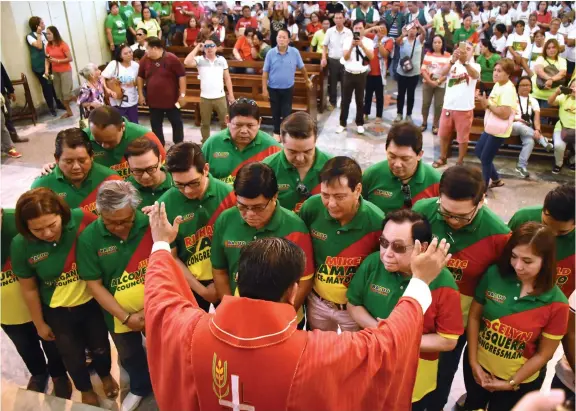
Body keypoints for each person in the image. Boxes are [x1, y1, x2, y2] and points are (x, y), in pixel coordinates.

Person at [145, 197, 452, 411]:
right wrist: (420, 283)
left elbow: (161, 298)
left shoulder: (190, 332)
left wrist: (161, 243)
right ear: (293, 292)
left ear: (239, 276)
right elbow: (387, 344)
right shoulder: (315, 355)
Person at [412, 165, 511, 411]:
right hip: (417, 313)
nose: (454, 221)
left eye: (462, 216)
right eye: (446, 214)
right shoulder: (422, 212)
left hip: (457, 325)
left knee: (442, 377)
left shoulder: (499, 236)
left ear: (481, 202)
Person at [11, 188, 119, 406]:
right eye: (38, 230)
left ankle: (105, 375)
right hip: (58, 311)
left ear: (62, 214)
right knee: (72, 355)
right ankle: (85, 389)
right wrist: (39, 323)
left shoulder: (82, 219)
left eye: (52, 225)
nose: (48, 233)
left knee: (100, 345)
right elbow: (29, 289)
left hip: (92, 303)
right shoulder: (21, 245)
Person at [347, 210, 463, 411]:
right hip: (369, 370)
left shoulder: (443, 283)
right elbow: (353, 304)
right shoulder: (374, 263)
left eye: (398, 247)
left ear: (423, 247)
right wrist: (381, 332)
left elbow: (448, 339)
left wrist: (398, 339)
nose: (387, 253)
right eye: (384, 242)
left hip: (414, 381)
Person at [464, 222, 569, 411]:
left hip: (520, 383)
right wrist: (473, 363)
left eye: (527, 261)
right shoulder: (494, 275)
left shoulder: (558, 304)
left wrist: (512, 382)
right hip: (478, 368)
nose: (518, 266)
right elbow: (473, 318)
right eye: (514, 256)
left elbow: (544, 353)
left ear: (546, 261)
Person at [75, 181, 152, 411]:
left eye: (125, 221)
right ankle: (139, 387)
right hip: (119, 317)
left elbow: (169, 263)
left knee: (165, 349)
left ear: (135, 209)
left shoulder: (150, 223)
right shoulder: (89, 238)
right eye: (110, 222)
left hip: (157, 306)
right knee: (130, 355)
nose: (119, 227)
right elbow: (95, 285)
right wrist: (127, 317)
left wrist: (148, 309)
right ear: (99, 212)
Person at [211, 162, 315, 327]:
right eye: (242, 207)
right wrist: (229, 309)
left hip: (281, 321)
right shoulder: (225, 220)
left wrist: (278, 319)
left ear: (274, 197)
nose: (250, 214)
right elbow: (220, 271)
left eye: (258, 207)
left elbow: (304, 281)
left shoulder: (295, 228)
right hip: (238, 317)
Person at [299, 156, 384, 331]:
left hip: (355, 309)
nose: (331, 204)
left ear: (358, 189)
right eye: (325, 195)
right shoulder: (311, 208)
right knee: (319, 353)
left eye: (339, 196)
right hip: (317, 302)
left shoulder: (377, 221)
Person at [0, 208, 71, 399]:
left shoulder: (20, 223)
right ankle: (39, 373)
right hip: (7, 312)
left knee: (52, 343)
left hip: (41, 302)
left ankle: (59, 374)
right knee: (25, 346)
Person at [159, 142, 235, 311]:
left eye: (193, 183)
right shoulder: (165, 204)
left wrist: (221, 281)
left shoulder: (229, 195)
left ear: (206, 169)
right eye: (179, 185)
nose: (187, 191)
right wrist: (202, 290)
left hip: (228, 278)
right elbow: (172, 256)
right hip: (190, 284)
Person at [31, 128, 122, 214]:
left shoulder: (110, 179)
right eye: (69, 161)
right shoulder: (41, 186)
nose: (76, 167)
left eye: (82, 161)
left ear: (91, 157)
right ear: (57, 159)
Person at [509, 184, 575, 298]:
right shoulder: (523, 218)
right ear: (544, 210)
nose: (551, 235)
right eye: (545, 225)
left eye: (562, 232)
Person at [363, 122, 440, 214]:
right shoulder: (372, 175)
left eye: (405, 158)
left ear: (419, 155)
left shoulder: (436, 181)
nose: (397, 164)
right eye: (392, 156)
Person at [263, 112, 332, 212]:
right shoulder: (267, 168)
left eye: (307, 151)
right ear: (282, 140)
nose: (300, 158)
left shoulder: (332, 165)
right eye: (293, 152)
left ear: (316, 140)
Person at [201, 99, 281, 184]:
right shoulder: (212, 144)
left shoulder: (272, 147)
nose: (244, 131)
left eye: (250, 125)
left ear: (259, 122)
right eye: (238, 125)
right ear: (227, 120)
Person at [433, 41, 481, 168]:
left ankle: (460, 161)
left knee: (462, 138)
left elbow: (475, 75)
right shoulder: (452, 62)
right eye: (463, 48)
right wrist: (451, 61)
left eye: (469, 49)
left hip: (464, 108)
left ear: (473, 52)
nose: (465, 51)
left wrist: (465, 62)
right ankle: (442, 157)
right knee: (443, 134)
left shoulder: (475, 65)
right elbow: (441, 73)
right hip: (448, 106)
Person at [262, 29, 312, 141]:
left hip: (288, 88)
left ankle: (284, 132)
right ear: (276, 39)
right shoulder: (270, 53)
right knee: (275, 111)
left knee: (286, 112)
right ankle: (276, 131)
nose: (281, 39)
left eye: (284, 37)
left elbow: (302, 67)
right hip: (273, 88)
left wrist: (307, 80)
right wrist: (264, 89)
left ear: (289, 40)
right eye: (279, 37)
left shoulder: (294, 52)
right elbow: (265, 73)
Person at [475, 58, 517, 189]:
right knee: (479, 151)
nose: (495, 73)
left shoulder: (508, 90)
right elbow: (488, 106)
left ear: (508, 73)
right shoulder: (498, 85)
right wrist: (482, 100)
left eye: (499, 71)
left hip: (499, 129)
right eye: (494, 70)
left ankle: (482, 190)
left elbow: (504, 114)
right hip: (491, 126)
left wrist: (488, 104)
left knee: (486, 158)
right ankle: (497, 179)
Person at [137, 36, 186, 146]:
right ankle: (159, 145)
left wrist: (182, 94)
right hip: (153, 100)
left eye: (147, 48)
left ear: (154, 48)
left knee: (177, 122)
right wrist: (140, 94)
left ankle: (179, 145)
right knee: (155, 124)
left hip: (172, 100)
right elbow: (140, 77)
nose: (146, 51)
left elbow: (182, 76)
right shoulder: (145, 59)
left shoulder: (172, 59)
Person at [184, 39, 234, 143]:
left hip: (220, 97)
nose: (209, 48)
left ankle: (226, 141)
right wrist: (197, 47)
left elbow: (227, 78)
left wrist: (231, 95)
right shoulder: (199, 60)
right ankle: (205, 143)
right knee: (205, 123)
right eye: (206, 46)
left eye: (212, 46)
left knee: (225, 122)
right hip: (205, 98)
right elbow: (187, 62)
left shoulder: (222, 60)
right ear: (203, 49)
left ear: (216, 48)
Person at [336, 20, 374, 134]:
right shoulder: (347, 40)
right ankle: (342, 123)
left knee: (359, 100)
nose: (358, 30)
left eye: (360, 28)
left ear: (364, 28)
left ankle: (360, 123)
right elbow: (346, 57)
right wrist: (352, 46)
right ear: (353, 29)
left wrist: (361, 45)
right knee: (345, 100)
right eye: (356, 28)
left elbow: (371, 57)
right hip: (348, 73)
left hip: (361, 74)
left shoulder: (368, 41)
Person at [512, 76, 553, 178]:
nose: (526, 87)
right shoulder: (512, 97)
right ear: (518, 87)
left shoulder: (533, 100)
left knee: (530, 142)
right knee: (519, 125)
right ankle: (543, 140)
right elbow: (507, 114)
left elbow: (536, 118)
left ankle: (521, 166)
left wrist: (538, 130)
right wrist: (517, 119)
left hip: (528, 128)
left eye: (528, 85)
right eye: (523, 85)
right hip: (513, 124)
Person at [27, 16, 65, 117]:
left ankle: (59, 103)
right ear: (37, 26)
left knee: (55, 84)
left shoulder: (46, 34)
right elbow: (39, 46)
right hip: (40, 66)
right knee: (47, 86)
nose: (44, 24)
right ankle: (51, 108)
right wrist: (39, 34)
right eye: (42, 23)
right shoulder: (30, 36)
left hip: (49, 63)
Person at [125, 137, 173, 209]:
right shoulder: (124, 191)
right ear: (128, 166)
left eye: (150, 169)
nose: (145, 176)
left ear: (160, 160)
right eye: (138, 171)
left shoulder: (179, 184)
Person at [393, 20, 426, 124]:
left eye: (414, 29)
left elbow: (424, 33)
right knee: (401, 94)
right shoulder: (403, 40)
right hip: (402, 72)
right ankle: (399, 114)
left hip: (414, 73)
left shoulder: (419, 41)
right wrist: (402, 34)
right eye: (410, 28)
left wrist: (419, 25)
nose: (412, 31)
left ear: (417, 31)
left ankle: (408, 115)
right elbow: (397, 42)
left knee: (411, 95)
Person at [362, 22, 393, 123]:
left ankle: (379, 116)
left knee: (379, 96)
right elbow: (361, 33)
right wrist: (373, 27)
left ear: (387, 31)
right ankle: (366, 113)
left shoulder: (389, 40)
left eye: (383, 29)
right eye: (380, 28)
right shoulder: (372, 37)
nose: (381, 30)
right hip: (369, 71)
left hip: (380, 72)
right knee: (368, 94)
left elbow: (384, 54)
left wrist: (379, 41)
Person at [321, 11, 352, 111]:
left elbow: (351, 48)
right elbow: (324, 45)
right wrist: (324, 58)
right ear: (333, 20)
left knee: (345, 83)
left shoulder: (348, 32)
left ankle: (344, 103)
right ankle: (332, 102)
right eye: (336, 18)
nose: (338, 20)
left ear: (344, 19)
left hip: (344, 61)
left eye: (340, 18)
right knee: (332, 83)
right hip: (332, 60)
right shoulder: (330, 31)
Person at [102, 44, 140, 124]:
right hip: (117, 100)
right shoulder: (114, 64)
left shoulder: (136, 66)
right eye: (125, 53)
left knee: (134, 123)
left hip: (132, 98)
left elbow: (140, 81)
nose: (129, 55)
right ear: (120, 55)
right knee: (118, 123)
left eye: (130, 52)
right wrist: (107, 89)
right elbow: (102, 77)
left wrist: (134, 83)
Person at [420, 34, 451, 134]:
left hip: (440, 85)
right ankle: (424, 123)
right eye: (435, 42)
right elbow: (423, 70)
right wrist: (430, 81)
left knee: (438, 105)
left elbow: (448, 73)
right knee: (425, 104)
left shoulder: (447, 56)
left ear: (443, 44)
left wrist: (437, 82)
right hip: (427, 83)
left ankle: (435, 124)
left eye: (439, 42)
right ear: (432, 43)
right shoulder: (428, 54)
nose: (437, 44)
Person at [45, 26, 74, 119]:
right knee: (59, 94)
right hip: (55, 72)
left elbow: (70, 58)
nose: (47, 35)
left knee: (67, 93)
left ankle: (83, 101)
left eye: (49, 33)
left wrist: (57, 61)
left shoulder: (62, 44)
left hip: (65, 71)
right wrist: (46, 70)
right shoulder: (48, 46)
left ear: (54, 34)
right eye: (47, 34)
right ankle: (69, 111)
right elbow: (47, 59)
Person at [548, 78, 576, 174]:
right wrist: (556, 93)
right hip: (561, 129)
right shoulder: (564, 97)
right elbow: (550, 102)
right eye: (573, 86)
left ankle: (572, 161)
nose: (574, 89)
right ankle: (558, 164)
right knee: (559, 146)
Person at [532, 39, 568, 108]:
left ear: (557, 48)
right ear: (545, 50)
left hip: (551, 97)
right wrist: (550, 79)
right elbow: (539, 71)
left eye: (553, 47)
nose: (551, 50)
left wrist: (550, 80)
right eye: (548, 48)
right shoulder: (540, 58)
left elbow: (562, 73)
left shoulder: (562, 60)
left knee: (543, 118)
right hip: (536, 94)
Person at [1, 64, 28, 145]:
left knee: (8, 115)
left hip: (2, 94)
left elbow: (4, 76)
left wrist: (11, 91)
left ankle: (14, 136)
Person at [383, 1, 407, 78]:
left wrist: (402, 36)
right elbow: (382, 24)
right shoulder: (386, 14)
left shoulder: (401, 15)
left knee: (397, 56)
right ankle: (384, 71)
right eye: (395, 5)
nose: (397, 7)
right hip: (388, 38)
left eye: (398, 6)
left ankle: (395, 74)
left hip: (398, 38)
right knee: (387, 56)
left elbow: (404, 25)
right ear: (392, 6)